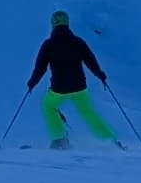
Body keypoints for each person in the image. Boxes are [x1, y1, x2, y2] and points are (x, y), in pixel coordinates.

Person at [27, 11, 117, 148]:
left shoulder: (48, 45)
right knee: (88, 113)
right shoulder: (77, 42)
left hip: (59, 89)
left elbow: (40, 68)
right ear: (67, 23)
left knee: (49, 106)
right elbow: (90, 60)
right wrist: (100, 75)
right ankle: (111, 140)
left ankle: (59, 139)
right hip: (80, 87)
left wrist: (32, 83)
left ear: (53, 24)